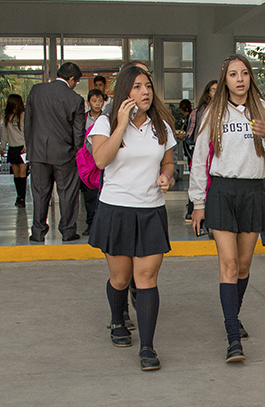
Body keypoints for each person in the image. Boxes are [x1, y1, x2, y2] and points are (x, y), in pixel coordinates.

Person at [188, 54, 265, 363]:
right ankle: (233, 338)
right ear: (225, 79)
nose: (240, 78)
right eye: (233, 74)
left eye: (244, 73)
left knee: (243, 267)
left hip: (252, 192)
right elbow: (200, 158)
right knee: (228, 265)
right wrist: (198, 203)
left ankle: (233, 315)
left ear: (250, 78)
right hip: (221, 192)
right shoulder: (213, 114)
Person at [88, 65, 176, 371]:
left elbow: (167, 160)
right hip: (116, 208)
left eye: (148, 86)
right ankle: (117, 319)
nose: (145, 91)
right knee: (121, 278)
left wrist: (167, 175)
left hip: (151, 209)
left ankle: (148, 347)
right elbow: (101, 159)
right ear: (126, 91)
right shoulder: (104, 122)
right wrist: (121, 124)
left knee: (147, 278)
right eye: (138, 86)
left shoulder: (161, 123)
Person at [24, 62, 85, 242]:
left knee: (40, 193)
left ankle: (37, 232)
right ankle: (67, 231)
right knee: (67, 193)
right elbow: (79, 132)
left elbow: (28, 122)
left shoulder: (36, 91)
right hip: (64, 154)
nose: (75, 86)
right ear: (72, 79)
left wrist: (31, 146)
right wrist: (77, 153)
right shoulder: (75, 99)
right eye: (76, 82)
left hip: (38, 153)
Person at [184, 80, 217, 223]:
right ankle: (194, 209)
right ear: (207, 92)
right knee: (199, 176)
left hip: (210, 149)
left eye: (218, 89)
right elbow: (192, 131)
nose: (215, 92)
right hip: (201, 147)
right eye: (212, 89)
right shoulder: (202, 110)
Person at [80, 88, 104, 236]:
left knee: (101, 192)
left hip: (102, 160)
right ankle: (90, 223)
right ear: (89, 102)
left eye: (100, 101)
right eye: (94, 101)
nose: (97, 104)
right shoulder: (82, 119)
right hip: (87, 161)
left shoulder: (106, 118)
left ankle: (100, 223)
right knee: (89, 194)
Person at [0, 94, 27, 208]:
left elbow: (27, 131)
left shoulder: (23, 116)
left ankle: (22, 198)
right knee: (16, 174)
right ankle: (19, 196)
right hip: (13, 147)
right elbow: (4, 133)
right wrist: (2, 147)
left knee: (22, 173)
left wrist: (26, 145)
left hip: (22, 147)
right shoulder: (7, 117)